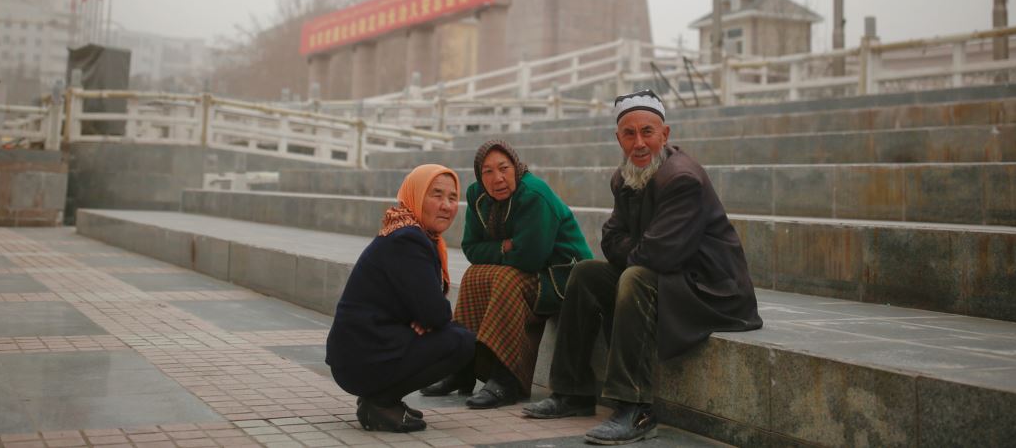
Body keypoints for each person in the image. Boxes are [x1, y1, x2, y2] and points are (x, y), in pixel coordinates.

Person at [522, 90, 763, 445]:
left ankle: (636, 408)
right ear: (618, 138)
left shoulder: (683, 178)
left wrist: (634, 250)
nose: (639, 143)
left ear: (665, 134)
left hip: (711, 289)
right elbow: (610, 238)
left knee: (635, 278)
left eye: (647, 132)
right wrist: (637, 249)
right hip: (669, 275)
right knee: (587, 273)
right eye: (629, 134)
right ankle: (572, 392)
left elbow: (659, 256)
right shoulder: (625, 177)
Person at [421, 139, 593, 408]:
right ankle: (462, 368)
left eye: (503, 168)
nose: (497, 178)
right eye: (488, 171)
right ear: (480, 175)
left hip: (562, 277)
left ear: (516, 167)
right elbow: (471, 248)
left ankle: (506, 378)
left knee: (506, 278)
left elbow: (530, 257)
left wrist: (504, 251)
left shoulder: (535, 195)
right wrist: (505, 245)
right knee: (473, 275)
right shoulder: (477, 195)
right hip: (529, 270)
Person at [325, 164, 475, 433]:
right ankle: (380, 402)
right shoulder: (408, 240)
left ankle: (382, 397)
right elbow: (436, 314)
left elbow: (429, 311)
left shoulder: (407, 232)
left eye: (452, 198)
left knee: (455, 332)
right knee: (460, 342)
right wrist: (424, 318)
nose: (446, 205)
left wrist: (425, 317)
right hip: (361, 357)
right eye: (436, 195)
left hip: (362, 351)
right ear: (415, 195)